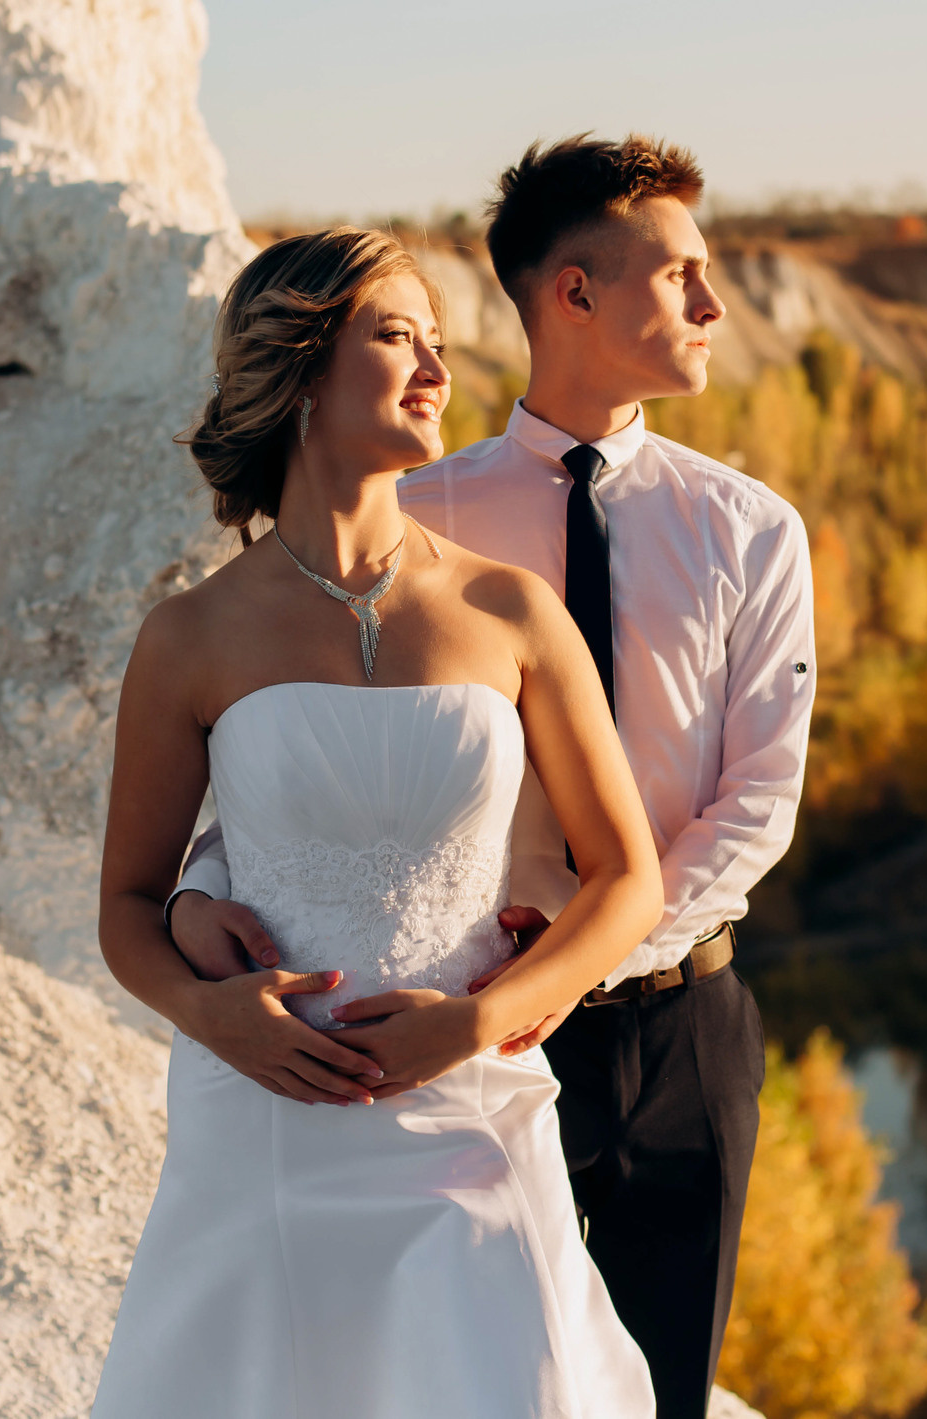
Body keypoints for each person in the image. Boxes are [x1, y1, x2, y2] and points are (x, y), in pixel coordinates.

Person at [170, 137, 818, 1419]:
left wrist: (577, 965)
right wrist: (198, 899)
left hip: (673, 1025)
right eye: (680, 272)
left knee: (657, 1389)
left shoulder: (750, 530)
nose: (712, 305)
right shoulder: (424, 517)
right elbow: (282, 753)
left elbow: (757, 803)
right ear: (571, 293)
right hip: (443, 1025)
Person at [92, 227, 664, 1418]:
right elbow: (128, 907)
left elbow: (626, 881)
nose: (435, 370)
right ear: (300, 364)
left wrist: (478, 1023)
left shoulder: (510, 609)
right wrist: (209, 1015)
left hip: (470, 1108)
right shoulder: (190, 637)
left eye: (442, 344)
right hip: (266, 1118)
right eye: (396, 334)